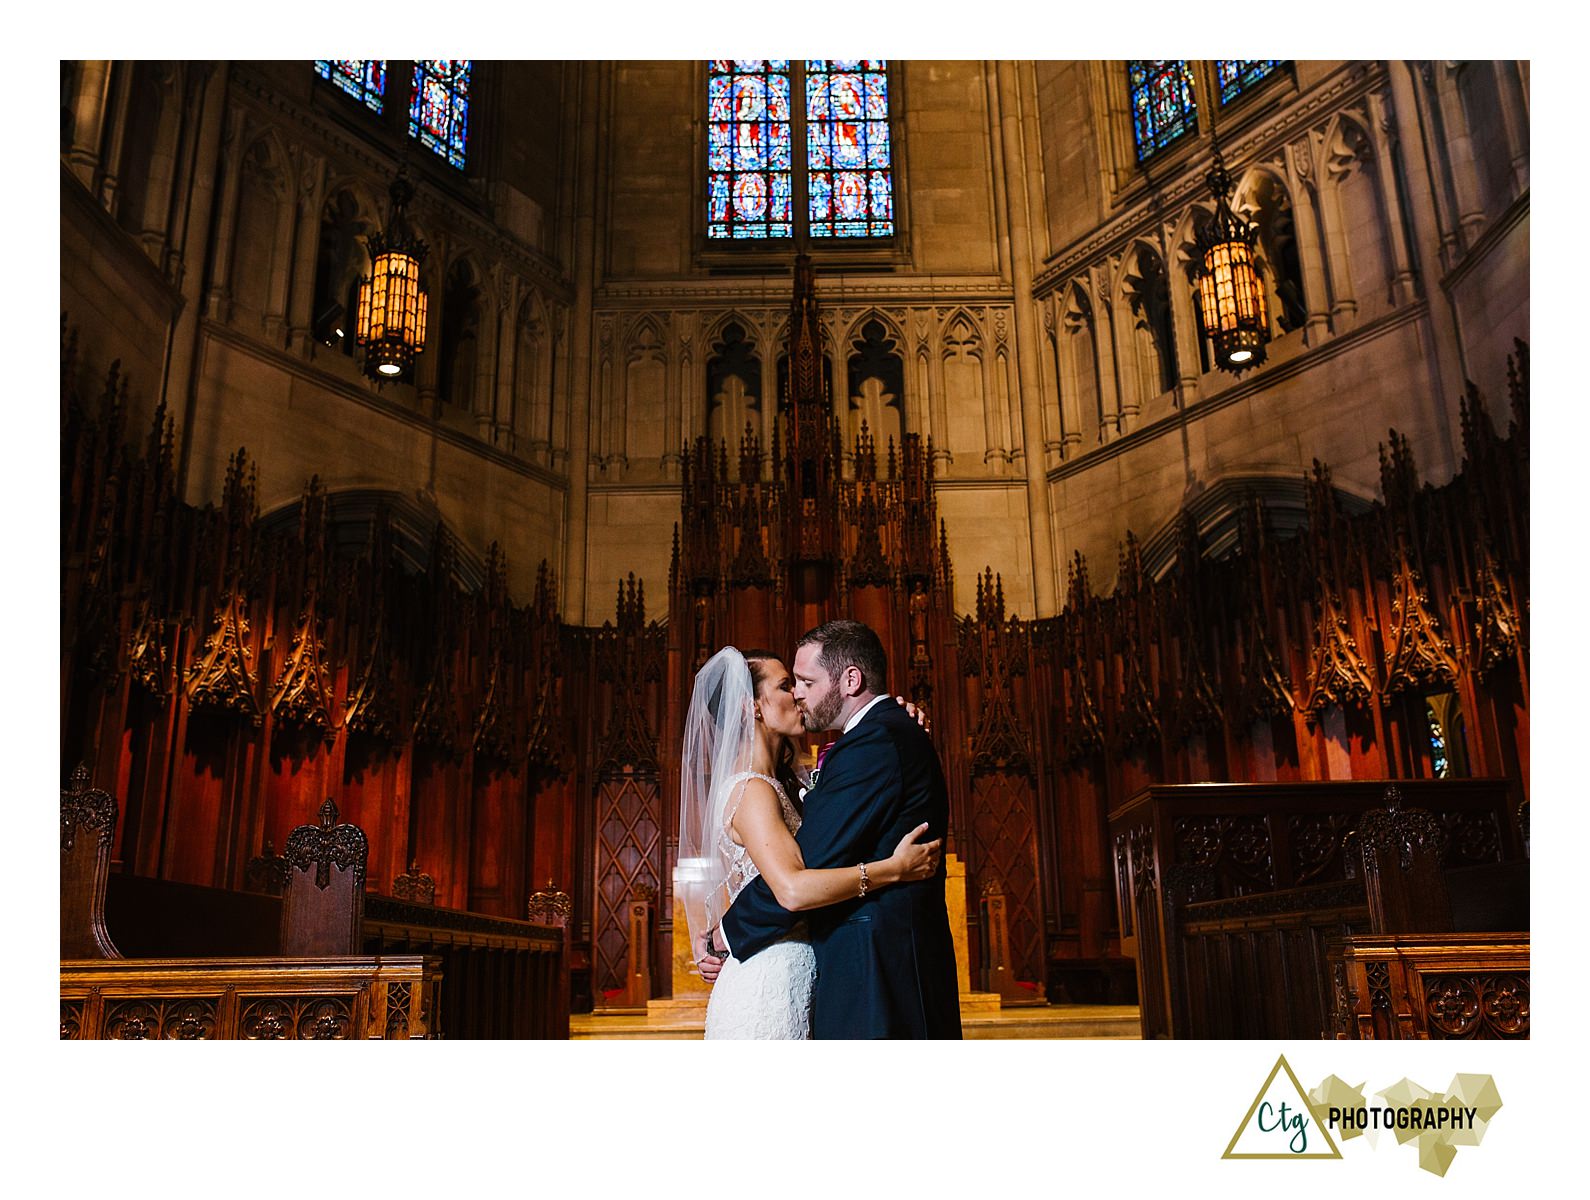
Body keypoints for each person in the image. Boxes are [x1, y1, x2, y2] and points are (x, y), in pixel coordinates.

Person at [710, 619, 962, 1039]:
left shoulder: (874, 741)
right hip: (783, 973)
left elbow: (809, 864)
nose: (798, 694)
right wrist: (892, 869)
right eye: (789, 685)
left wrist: (725, 933)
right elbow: (795, 883)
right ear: (751, 707)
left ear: (850, 680)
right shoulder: (758, 788)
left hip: (875, 971)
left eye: (804, 682)